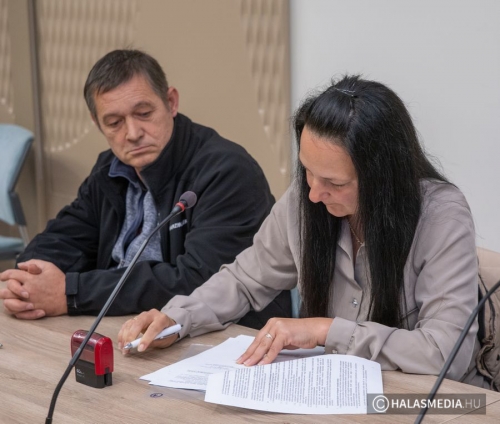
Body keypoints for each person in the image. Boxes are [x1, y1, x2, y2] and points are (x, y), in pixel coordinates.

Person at [117, 75, 488, 389]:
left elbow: (446, 354)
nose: (313, 193)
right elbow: (244, 280)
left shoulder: (441, 216)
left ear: (383, 178)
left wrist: (326, 331)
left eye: (334, 183)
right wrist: (177, 318)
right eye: (307, 171)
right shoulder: (306, 199)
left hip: (434, 404)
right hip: (334, 395)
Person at [0, 49, 291, 328]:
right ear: (97, 124)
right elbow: (66, 235)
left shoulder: (227, 171)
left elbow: (201, 281)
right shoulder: (109, 168)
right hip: (122, 327)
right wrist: (28, 280)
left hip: (223, 338)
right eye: (114, 122)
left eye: (143, 113)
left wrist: (71, 292)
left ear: (171, 102)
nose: (133, 133)